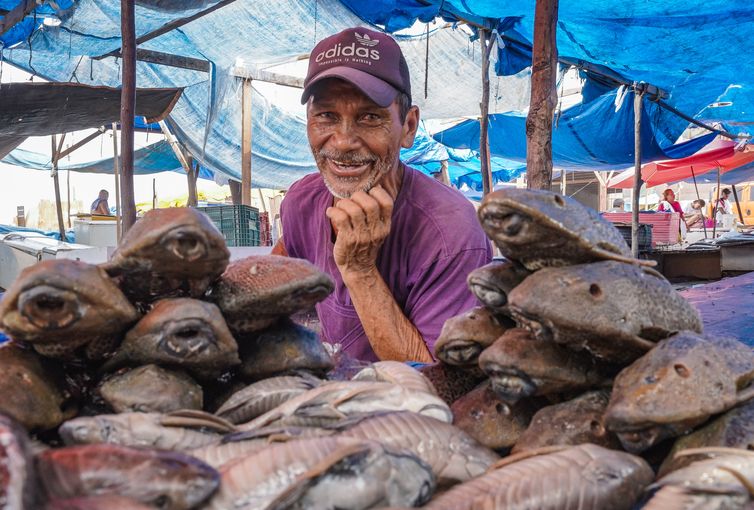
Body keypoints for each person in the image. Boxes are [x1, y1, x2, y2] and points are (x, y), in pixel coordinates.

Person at [273, 27, 492, 363]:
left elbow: (438, 382)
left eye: (370, 117)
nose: (343, 141)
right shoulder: (301, 202)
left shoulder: (452, 234)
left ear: (408, 126)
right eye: (326, 116)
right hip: (335, 400)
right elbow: (276, 280)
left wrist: (359, 270)